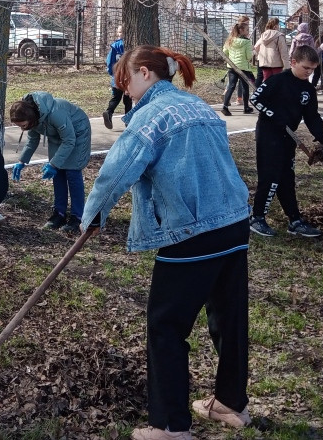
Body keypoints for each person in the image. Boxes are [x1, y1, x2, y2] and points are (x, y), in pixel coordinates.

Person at [80, 45, 251, 440]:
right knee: (228, 317)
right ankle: (231, 403)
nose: (125, 90)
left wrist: (92, 217)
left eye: (126, 81)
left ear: (145, 73)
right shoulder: (197, 106)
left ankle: (171, 426)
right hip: (234, 222)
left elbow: (117, 169)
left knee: (165, 326)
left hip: (194, 231)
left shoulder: (151, 117)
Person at [248, 45, 323, 238]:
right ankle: (257, 217)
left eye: (312, 69)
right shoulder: (278, 81)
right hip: (269, 134)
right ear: (293, 63)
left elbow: (312, 116)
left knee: (287, 178)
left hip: (288, 136)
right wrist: (274, 116)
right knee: (270, 176)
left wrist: (321, 138)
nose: (309, 72)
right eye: (305, 68)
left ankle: (294, 221)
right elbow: (256, 99)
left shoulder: (308, 90)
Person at [10, 92, 91, 234]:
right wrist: (22, 161)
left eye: (23, 125)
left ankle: (77, 216)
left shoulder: (56, 113)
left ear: (30, 118)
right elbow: (32, 140)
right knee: (58, 174)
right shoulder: (33, 116)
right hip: (58, 136)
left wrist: (53, 164)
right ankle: (59, 213)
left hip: (77, 134)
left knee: (72, 172)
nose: (22, 129)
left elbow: (69, 140)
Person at [221, 22, 256, 117]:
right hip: (243, 67)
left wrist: (231, 59)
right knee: (245, 87)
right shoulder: (247, 42)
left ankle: (225, 106)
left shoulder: (230, 40)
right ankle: (246, 107)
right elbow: (248, 56)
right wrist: (254, 51)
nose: (248, 32)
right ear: (241, 30)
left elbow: (224, 52)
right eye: (247, 30)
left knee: (231, 86)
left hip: (232, 66)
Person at [103, 26, 131, 129]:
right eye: (119, 32)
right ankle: (128, 121)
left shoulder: (115, 46)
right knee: (127, 99)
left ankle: (109, 112)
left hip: (117, 77)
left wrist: (111, 73)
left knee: (116, 97)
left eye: (121, 32)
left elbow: (110, 61)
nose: (120, 34)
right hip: (128, 76)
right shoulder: (130, 45)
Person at [289, 22, 318, 86]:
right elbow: (313, 49)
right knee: (306, 74)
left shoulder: (295, 38)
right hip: (307, 58)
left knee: (297, 74)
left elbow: (291, 50)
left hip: (297, 57)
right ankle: (305, 87)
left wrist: (290, 58)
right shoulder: (310, 38)